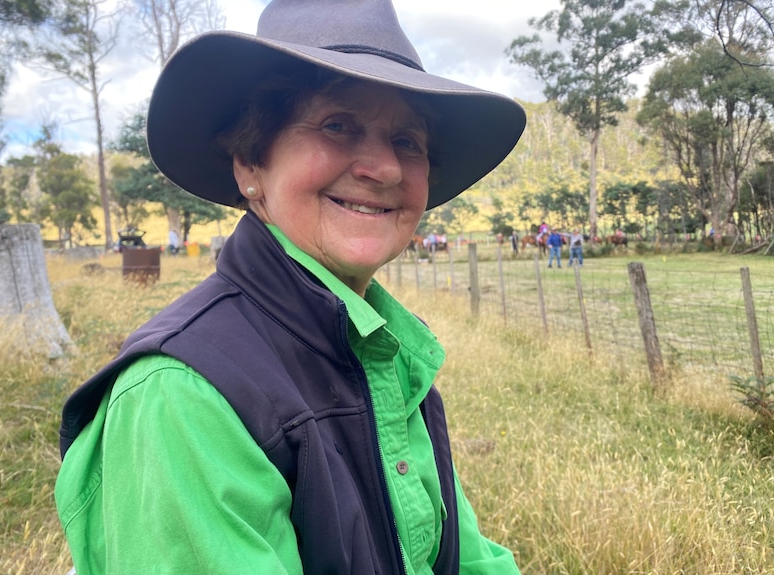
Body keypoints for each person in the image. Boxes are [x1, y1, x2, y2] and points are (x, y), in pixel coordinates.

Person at [54, 0, 526, 574]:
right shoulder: (184, 395)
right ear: (251, 163)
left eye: (408, 141)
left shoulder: (389, 353)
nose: (386, 168)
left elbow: (465, 560)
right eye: (337, 125)